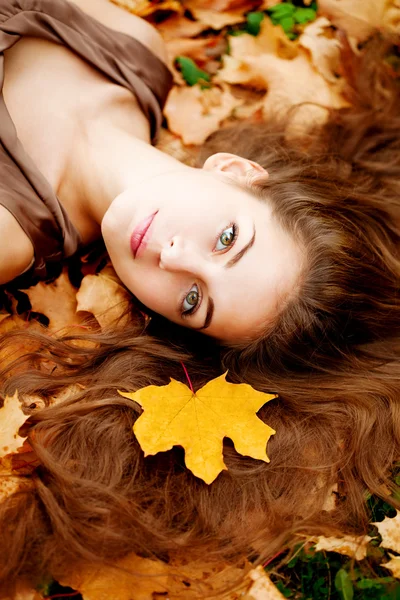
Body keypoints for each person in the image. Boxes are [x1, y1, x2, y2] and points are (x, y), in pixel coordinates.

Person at [0, 0, 400, 595]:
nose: (175, 257)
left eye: (192, 300)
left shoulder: (7, 230)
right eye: (228, 239)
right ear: (237, 171)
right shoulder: (134, 47)